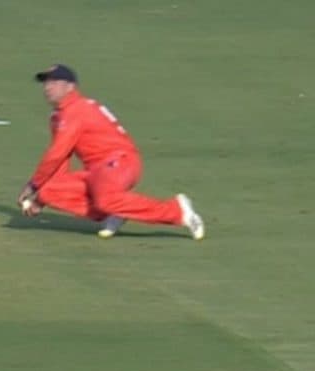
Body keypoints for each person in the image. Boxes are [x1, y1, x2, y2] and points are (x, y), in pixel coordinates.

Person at [16, 64, 205, 240]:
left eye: (54, 82)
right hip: (96, 172)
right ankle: (116, 211)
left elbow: (56, 154)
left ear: (70, 87)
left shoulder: (77, 110)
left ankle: (177, 210)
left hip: (120, 162)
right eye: (46, 83)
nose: (48, 87)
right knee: (49, 191)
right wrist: (41, 198)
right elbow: (62, 158)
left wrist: (33, 185)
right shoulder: (58, 116)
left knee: (105, 199)